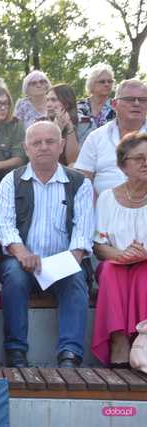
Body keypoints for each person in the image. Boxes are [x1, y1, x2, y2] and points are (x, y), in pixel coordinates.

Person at [0, 121, 94, 368]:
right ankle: (16, 351)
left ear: (61, 145)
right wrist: (22, 252)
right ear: (26, 148)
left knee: (75, 278)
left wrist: (71, 259)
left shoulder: (79, 182)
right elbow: (4, 226)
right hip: (23, 259)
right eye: (36, 142)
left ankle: (70, 354)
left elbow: (83, 230)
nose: (43, 147)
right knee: (15, 278)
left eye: (50, 141)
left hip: (64, 259)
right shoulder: (12, 180)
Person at [91, 132, 147, 367]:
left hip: (145, 263)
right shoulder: (107, 198)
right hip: (115, 261)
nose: (146, 163)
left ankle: (142, 341)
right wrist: (122, 255)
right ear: (123, 164)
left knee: (143, 272)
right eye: (139, 158)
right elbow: (99, 245)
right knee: (111, 271)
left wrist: (142, 255)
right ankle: (119, 341)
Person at [74, 79, 147, 195]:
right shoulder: (96, 137)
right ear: (114, 104)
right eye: (129, 99)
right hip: (102, 209)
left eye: (142, 100)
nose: (137, 103)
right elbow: (84, 179)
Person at [46, 83, 91, 165]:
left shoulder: (85, 124)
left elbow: (74, 161)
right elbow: (46, 158)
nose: (48, 104)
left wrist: (70, 127)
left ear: (67, 103)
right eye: (47, 100)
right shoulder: (40, 124)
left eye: (53, 100)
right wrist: (57, 130)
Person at [77, 63, 117, 142]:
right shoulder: (79, 107)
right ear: (91, 83)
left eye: (110, 81)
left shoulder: (117, 108)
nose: (107, 84)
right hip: (82, 151)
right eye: (102, 81)